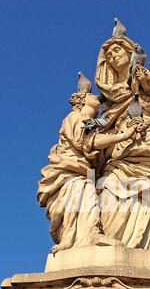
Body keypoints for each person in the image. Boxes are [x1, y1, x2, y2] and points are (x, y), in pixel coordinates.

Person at [37, 90, 136, 253]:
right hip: (70, 172)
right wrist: (123, 136)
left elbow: (97, 144)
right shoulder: (75, 117)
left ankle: (88, 234)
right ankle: (76, 238)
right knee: (81, 194)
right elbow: (88, 141)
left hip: (80, 172)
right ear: (81, 101)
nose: (95, 96)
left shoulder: (89, 123)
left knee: (86, 196)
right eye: (90, 95)